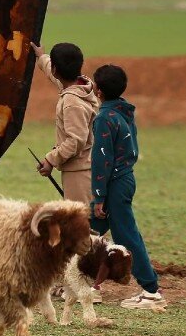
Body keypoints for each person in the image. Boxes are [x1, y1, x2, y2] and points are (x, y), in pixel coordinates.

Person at [89, 64, 165, 309]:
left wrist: (99, 196)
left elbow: (102, 159)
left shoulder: (103, 118)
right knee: (91, 232)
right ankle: (82, 283)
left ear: (98, 90)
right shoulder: (123, 111)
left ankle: (151, 290)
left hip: (114, 183)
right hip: (124, 178)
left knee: (126, 236)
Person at [31, 42, 97, 206]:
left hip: (79, 173)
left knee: (82, 224)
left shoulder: (72, 102)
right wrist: (42, 57)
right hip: (88, 166)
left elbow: (76, 140)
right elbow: (54, 75)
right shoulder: (82, 86)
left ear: (55, 69)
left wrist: (51, 159)